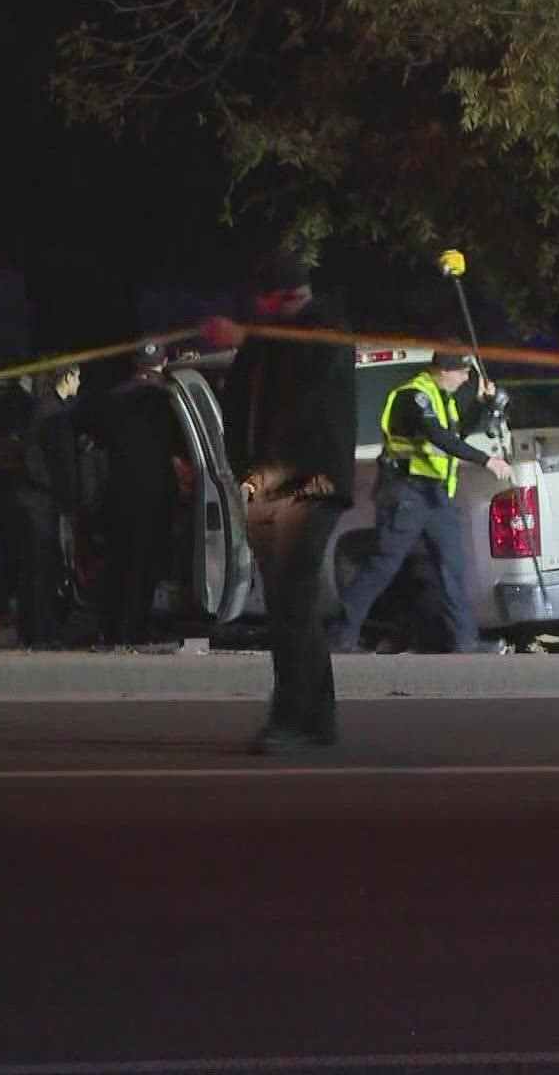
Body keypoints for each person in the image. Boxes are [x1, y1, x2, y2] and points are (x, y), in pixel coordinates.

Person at [208, 250, 357, 754]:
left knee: (291, 603)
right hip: (273, 487)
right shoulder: (272, 340)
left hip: (308, 487)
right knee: (291, 605)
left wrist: (247, 337)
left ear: (284, 297)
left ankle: (294, 720)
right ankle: (315, 719)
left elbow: (305, 362)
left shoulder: (322, 330)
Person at [330, 351, 513, 654]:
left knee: (452, 567)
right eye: (462, 373)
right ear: (444, 370)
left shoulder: (443, 398)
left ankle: (464, 640)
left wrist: (483, 405)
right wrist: (486, 460)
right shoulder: (414, 397)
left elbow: (459, 432)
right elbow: (440, 437)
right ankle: (341, 635)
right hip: (406, 494)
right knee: (382, 566)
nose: (467, 379)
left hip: (436, 496)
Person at [91, 346, 185, 647]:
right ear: (164, 363)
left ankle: (112, 629)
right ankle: (134, 632)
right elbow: (182, 449)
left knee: (118, 565)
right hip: (153, 500)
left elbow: (96, 445)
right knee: (143, 568)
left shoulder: (112, 400)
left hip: (117, 496)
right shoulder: (166, 401)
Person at [15, 365, 80, 647]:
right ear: (67, 377)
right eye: (77, 376)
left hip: (36, 501)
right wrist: (63, 495)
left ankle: (32, 630)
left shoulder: (45, 409)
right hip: (40, 502)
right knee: (42, 570)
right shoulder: (53, 413)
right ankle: (41, 634)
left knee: (36, 569)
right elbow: (48, 463)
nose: (79, 382)